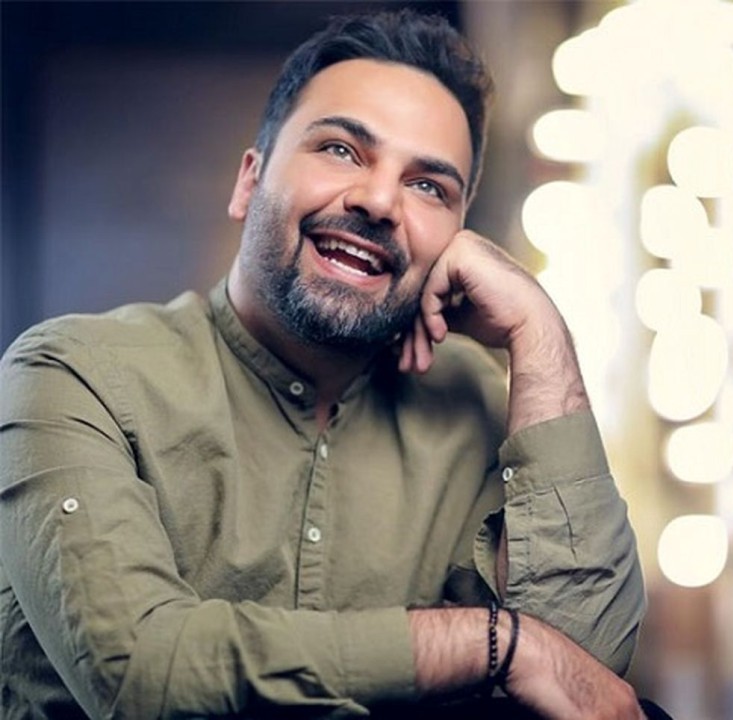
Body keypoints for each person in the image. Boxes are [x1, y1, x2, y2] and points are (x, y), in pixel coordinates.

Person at [0, 9, 648, 719]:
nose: (379, 200)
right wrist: (492, 643)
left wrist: (538, 328)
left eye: (428, 187)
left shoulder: (477, 404)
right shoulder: (70, 375)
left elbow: (585, 682)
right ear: (250, 182)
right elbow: (143, 673)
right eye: (341, 150)